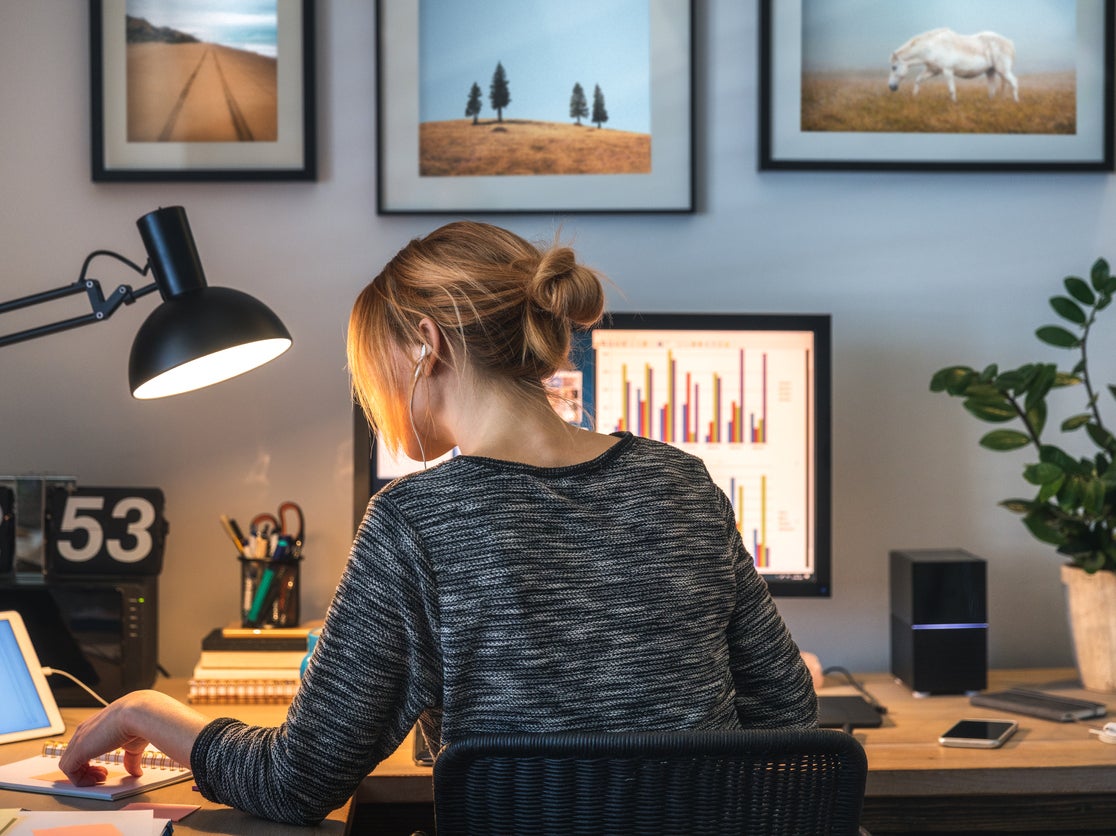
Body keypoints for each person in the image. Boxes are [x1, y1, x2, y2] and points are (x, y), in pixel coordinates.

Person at [59, 221, 817, 825]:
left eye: (373, 370)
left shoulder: (413, 521)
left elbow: (298, 782)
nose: (376, 399)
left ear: (426, 341)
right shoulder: (679, 480)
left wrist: (145, 710)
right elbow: (787, 708)